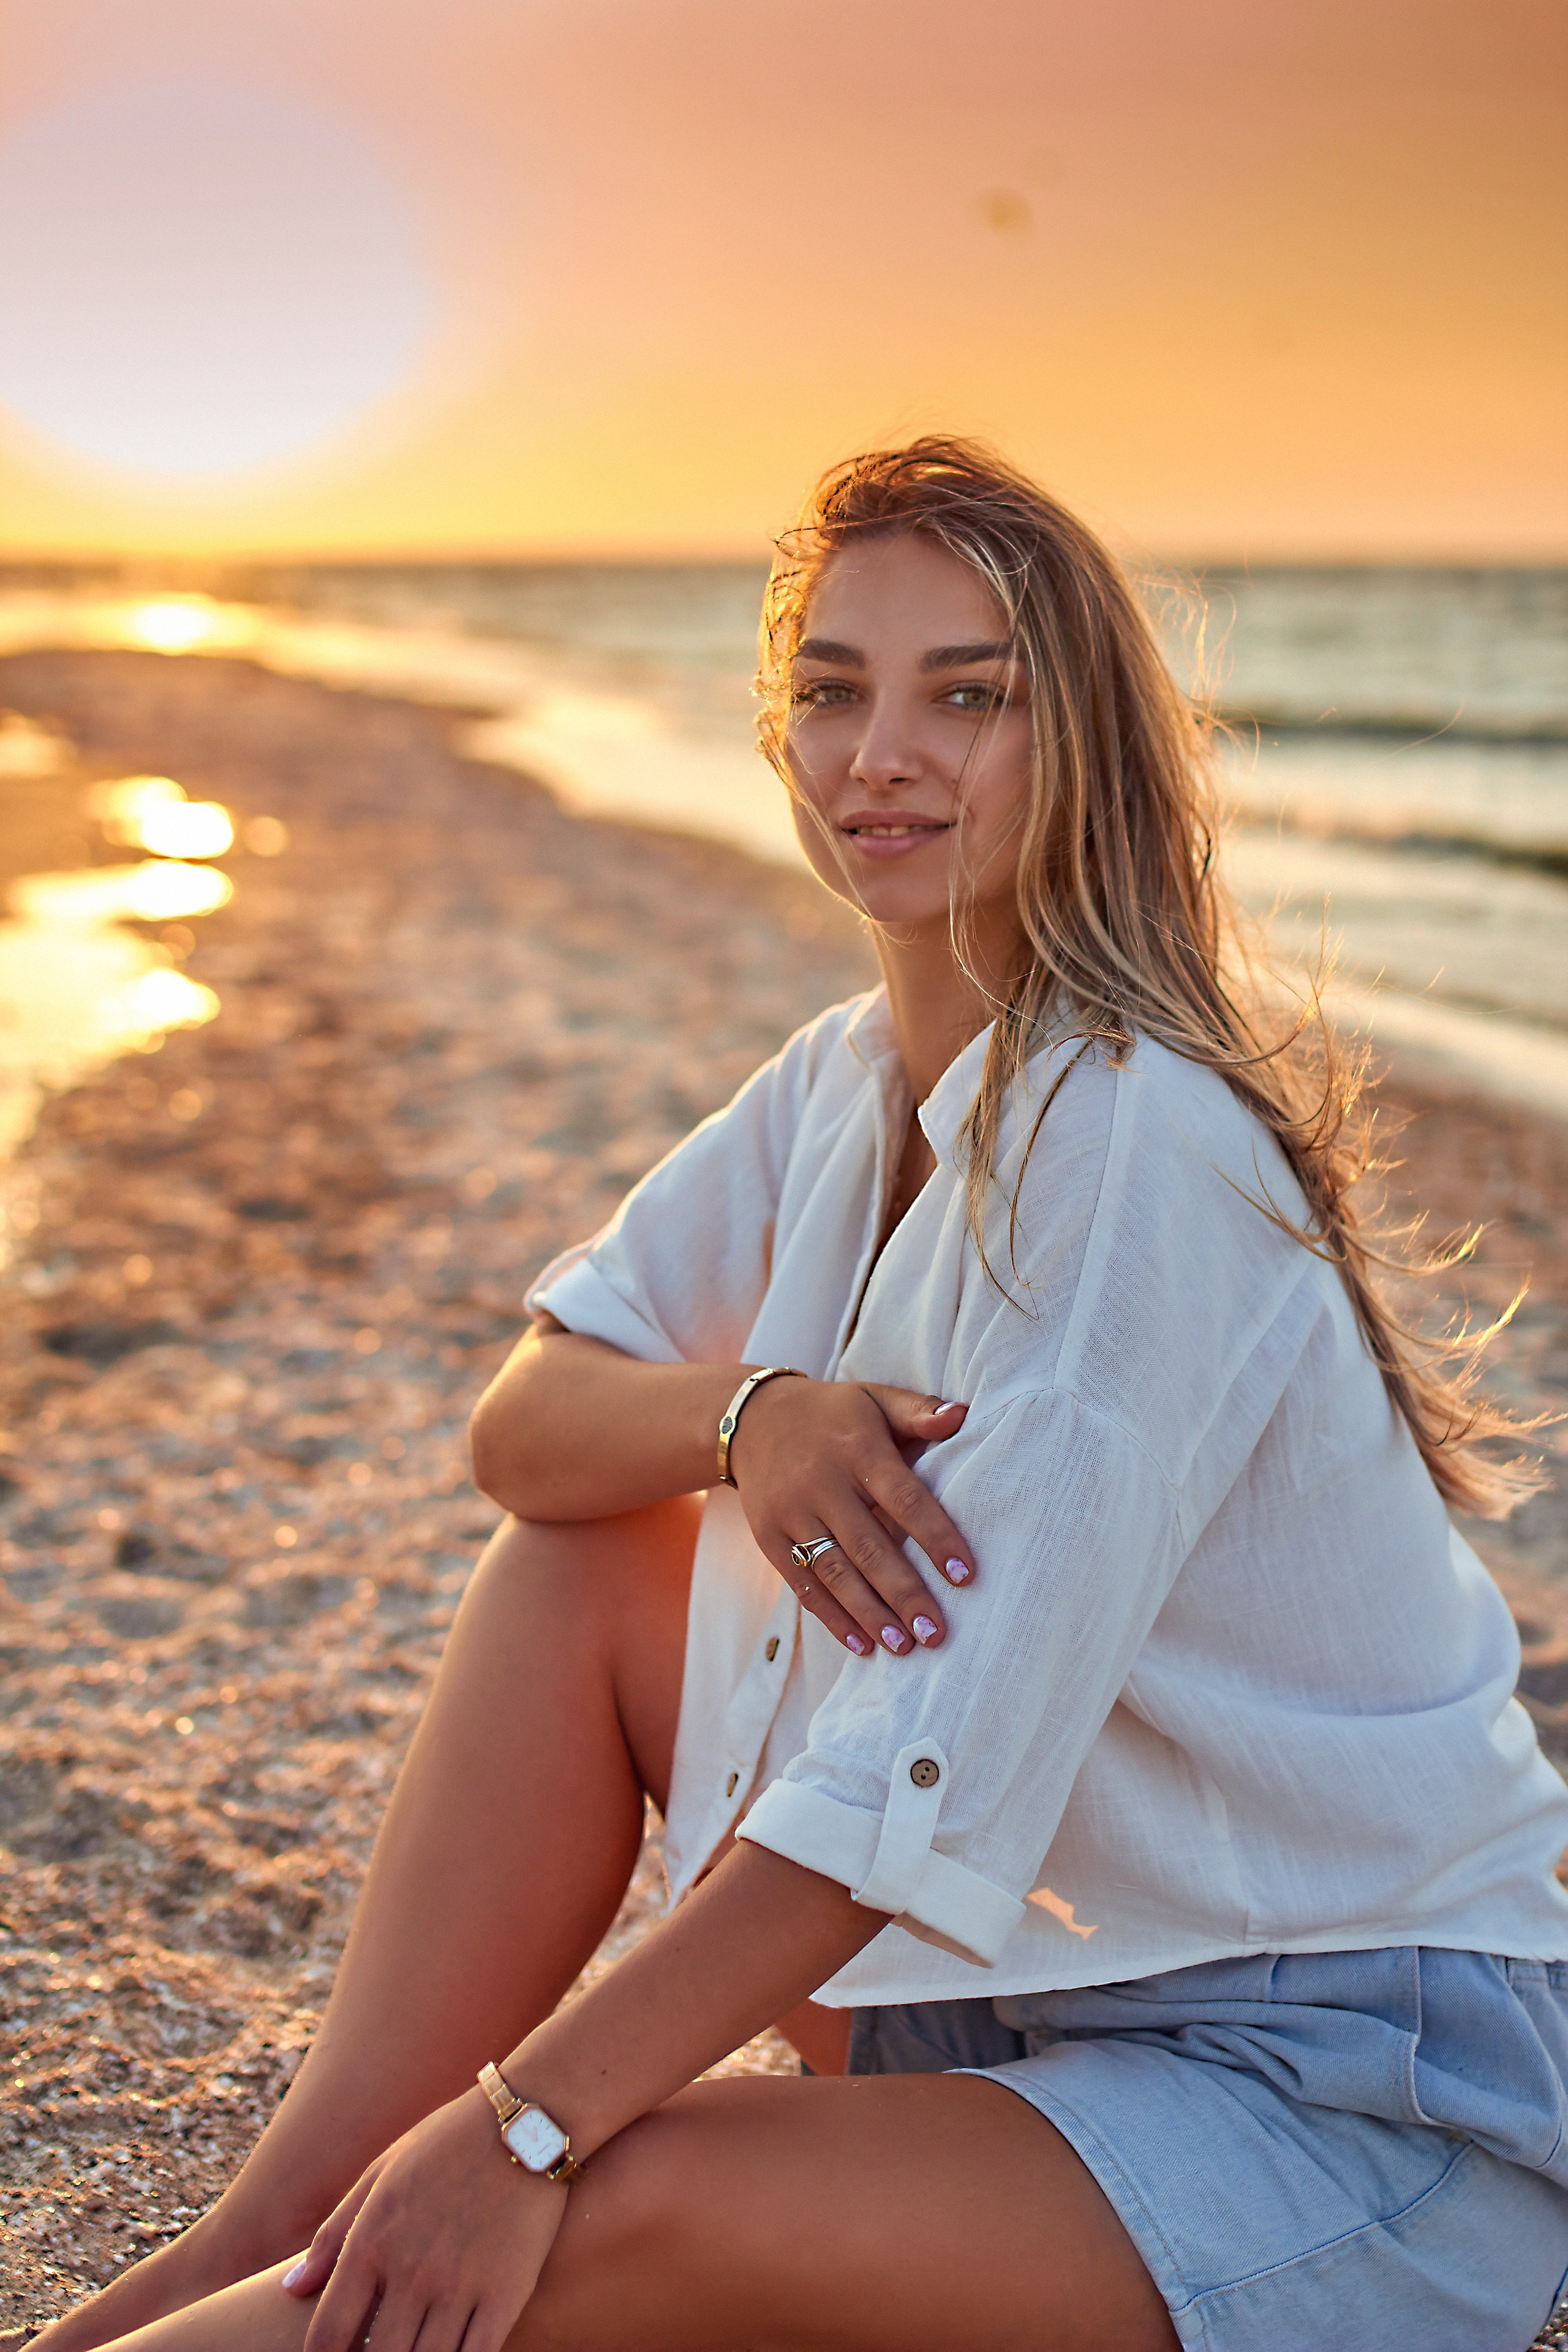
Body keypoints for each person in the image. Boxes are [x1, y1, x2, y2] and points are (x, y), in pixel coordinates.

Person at [43, 438, 1568, 2352]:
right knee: (584, 1570)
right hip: (1007, 1991)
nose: (884, 753)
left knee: (611, 2190)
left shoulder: (1145, 1148)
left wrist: (516, 2125)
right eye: (832, 691)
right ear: (775, 743)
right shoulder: (847, 1084)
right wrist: (750, 1416)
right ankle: (257, 2237)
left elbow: (910, 1787)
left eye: (968, 694)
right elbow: (522, 1430)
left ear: (1076, 740)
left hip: (1339, 2098)